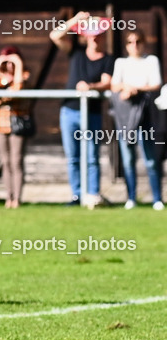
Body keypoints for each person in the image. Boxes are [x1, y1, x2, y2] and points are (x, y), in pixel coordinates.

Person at [50, 11, 114, 208]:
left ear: (102, 36)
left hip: (91, 113)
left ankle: (92, 195)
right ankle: (77, 195)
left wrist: (90, 87)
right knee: (73, 157)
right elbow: (55, 35)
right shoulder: (76, 53)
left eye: (98, 34)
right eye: (91, 33)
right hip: (69, 111)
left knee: (92, 156)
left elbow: (107, 83)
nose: (95, 37)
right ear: (86, 36)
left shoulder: (108, 60)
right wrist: (76, 20)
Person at [110, 29, 163, 210]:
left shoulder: (151, 60)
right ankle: (131, 197)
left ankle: (157, 198)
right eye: (131, 42)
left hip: (146, 115)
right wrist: (126, 87)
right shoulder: (121, 63)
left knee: (150, 159)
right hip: (125, 115)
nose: (135, 45)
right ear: (126, 45)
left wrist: (136, 89)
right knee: (127, 158)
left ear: (143, 43)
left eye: (138, 41)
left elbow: (156, 83)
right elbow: (114, 85)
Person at [0, 46, 31, 208]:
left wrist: (18, 64)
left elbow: (17, 89)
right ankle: (8, 197)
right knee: (6, 161)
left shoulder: (24, 74)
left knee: (16, 160)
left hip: (17, 122)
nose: (9, 64)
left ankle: (17, 198)